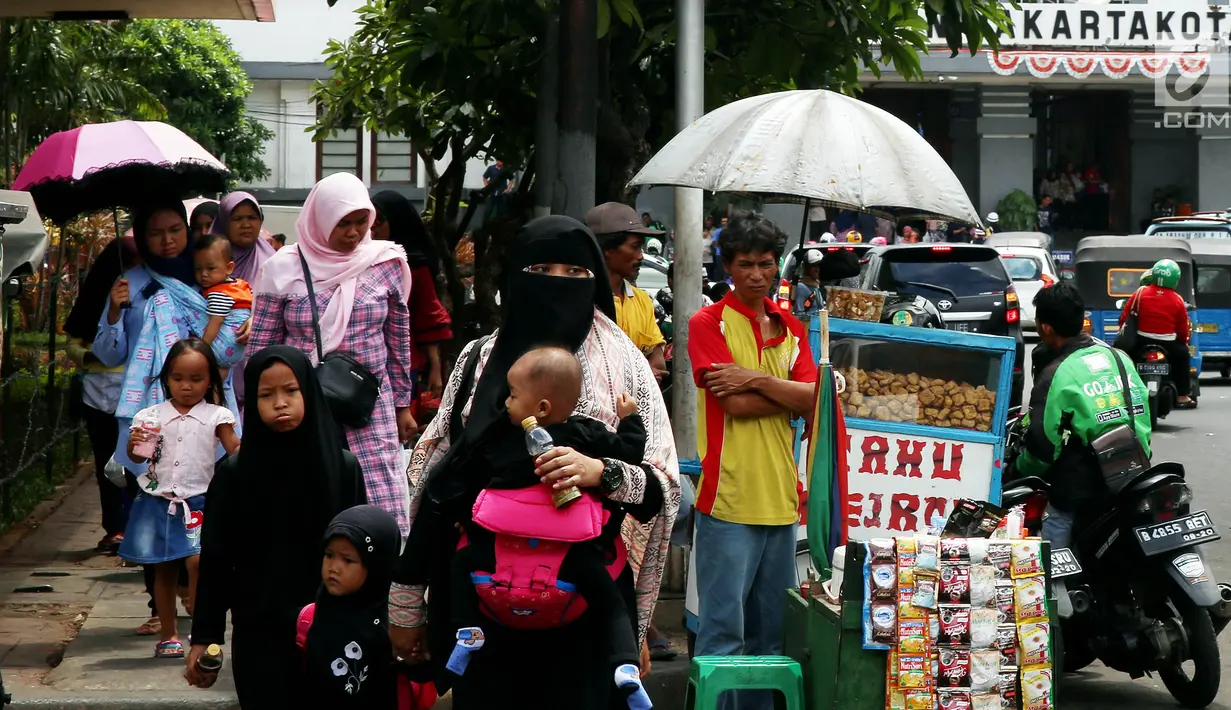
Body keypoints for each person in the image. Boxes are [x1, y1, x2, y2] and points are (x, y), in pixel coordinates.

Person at [389, 216, 680, 710]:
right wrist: (405, 605)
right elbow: (436, 485)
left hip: (585, 609)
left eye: (574, 273)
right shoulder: (478, 362)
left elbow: (662, 490)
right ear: (514, 278)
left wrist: (599, 472)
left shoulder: (627, 365)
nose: (557, 284)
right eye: (541, 268)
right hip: (484, 610)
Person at [446, 347, 652, 709]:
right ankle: (625, 665)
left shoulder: (499, 437)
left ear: (540, 408)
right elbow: (630, 452)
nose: (505, 403)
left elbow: (468, 474)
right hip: (570, 556)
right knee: (611, 602)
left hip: (500, 551)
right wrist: (630, 419)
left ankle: (467, 631)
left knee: (460, 566)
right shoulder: (587, 433)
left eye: (511, 394)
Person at [95, 200, 247, 637]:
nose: (167, 240)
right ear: (142, 238)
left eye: (175, 229)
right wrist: (113, 308)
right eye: (156, 232)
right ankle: (159, 606)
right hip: (152, 412)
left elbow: (231, 338)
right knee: (154, 501)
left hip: (209, 409)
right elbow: (109, 353)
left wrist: (244, 327)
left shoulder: (207, 275)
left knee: (207, 500)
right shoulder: (133, 282)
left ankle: (202, 599)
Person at [687, 212, 818, 710]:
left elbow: (814, 400)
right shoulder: (707, 323)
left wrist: (756, 379)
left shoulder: (792, 328)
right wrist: (788, 393)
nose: (758, 275)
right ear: (727, 266)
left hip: (782, 499)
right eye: (746, 264)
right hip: (729, 498)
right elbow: (735, 406)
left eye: (766, 264)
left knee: (772, 639)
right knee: (723, 636)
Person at [186, 346, 367, 706]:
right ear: (251, 402)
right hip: (260, 630)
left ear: (309, 393)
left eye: (291, 390)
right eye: (266, 395)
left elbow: (362, 551)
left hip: (332, 627)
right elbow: (217, 561)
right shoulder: (235, 476)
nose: (280, 403)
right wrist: (204, 636)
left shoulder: (342, 468)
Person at [247, 172, 417, 535]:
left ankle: (375, 581)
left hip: (370, 403)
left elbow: (398, 341)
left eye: (362, 222)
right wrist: (258, 407)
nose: (354, 233)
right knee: (308, 497)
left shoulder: (385, 262)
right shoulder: (283, 269)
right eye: (343, 224)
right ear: (320, 219)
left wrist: (403, 405)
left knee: (378, 500)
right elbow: (261, 350)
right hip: (302, 404)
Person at [120, 338, 240, 659]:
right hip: (158, 500)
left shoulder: (217, 416)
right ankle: (168, 633)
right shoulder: (151, 415)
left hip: (200, 501)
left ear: (211, 380)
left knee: (199, 560)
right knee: (164, 569)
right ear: (167, 378)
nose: (186, 387)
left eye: (196, 379)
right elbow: (140, 456)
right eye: (178, 379)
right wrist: (136, 443)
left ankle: (199, 619)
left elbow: (235, 451)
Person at [1014, 283, 1151, 549]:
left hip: (1093, 483)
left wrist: (1019, 469)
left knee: (1058, 513)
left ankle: (1055, 580)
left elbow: (1043, 448)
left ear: (1045, 327)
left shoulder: (1055, 373)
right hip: (1138, 466)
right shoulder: (1118, 357)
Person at [298, 504, 437, 709]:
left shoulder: (396, 626)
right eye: (329, 555)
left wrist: (409, 658)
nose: (333, 568)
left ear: (376, 566)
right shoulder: (314, 615)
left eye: (348, 560)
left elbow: (422, 680)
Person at [64, 235, 139, 553]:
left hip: (135, 393)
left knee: (136, 461)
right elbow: (73, 345)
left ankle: (137, 524)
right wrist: (92, 356)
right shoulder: (97, 297)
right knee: (105, 461)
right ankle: (115, 528)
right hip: (97, 394)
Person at [370, 190, 454, 398]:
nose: (372, 229)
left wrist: (435, 369)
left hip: (403, 363)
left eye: (379, 221)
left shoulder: (414, 266)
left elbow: (427, 315)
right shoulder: (360, 260)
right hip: (364, 358)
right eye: (369, 221)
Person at [585, 202, 669, 382]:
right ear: (608, 249)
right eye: (634, 247)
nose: (640, 256)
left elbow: (658, 362)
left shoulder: (642, 301)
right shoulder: (581, 300)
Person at [211, 192, 274, 410]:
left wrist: (258, 317)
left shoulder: (275, 263)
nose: (246, 224)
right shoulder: (206, 262)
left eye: (252, 218)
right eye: (237, 218)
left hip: (259, 364)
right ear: (223, 222)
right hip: (214, 364)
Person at [1119, 259, 1193, 405]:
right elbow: (1182, 328)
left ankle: (1122, 391)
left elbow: (1124, 317)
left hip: (1141, 341)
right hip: (1168, 344)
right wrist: (1183, 342)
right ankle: (1182, 395)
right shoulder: (1178, 299)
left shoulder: (1140, 292)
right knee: (1183, 357)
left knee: (1123, 360)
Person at [193, 233, 253, 355]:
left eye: (210, 268)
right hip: (241, 348)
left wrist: (203, 348)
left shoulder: (218, 293)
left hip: (224, 348)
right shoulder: (243, 285)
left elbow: (216, 321)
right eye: (198, 269)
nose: (204, 274)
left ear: (229, 268)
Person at [793, 250, 823, 318]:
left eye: (819, 266)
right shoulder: (801, 287)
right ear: (805, 267)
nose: (817, 269)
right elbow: (799, 315)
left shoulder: (816, 286)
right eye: (813, 266)